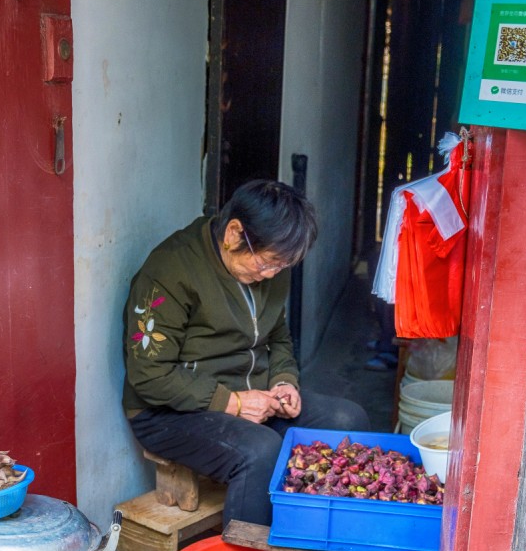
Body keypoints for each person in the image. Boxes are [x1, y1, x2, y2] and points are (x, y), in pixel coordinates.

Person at [122, 179, 370, 527]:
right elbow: (150, 376)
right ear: (234, 233)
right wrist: (232, 402)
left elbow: (279, 337)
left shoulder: (271, 270)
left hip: (255, 395)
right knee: (260, 452)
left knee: (348, 420)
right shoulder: (170, 271)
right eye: (267, 263)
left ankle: (324, 533)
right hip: (168, 413)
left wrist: (285, 381)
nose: (271, 274)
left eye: (281, 266)